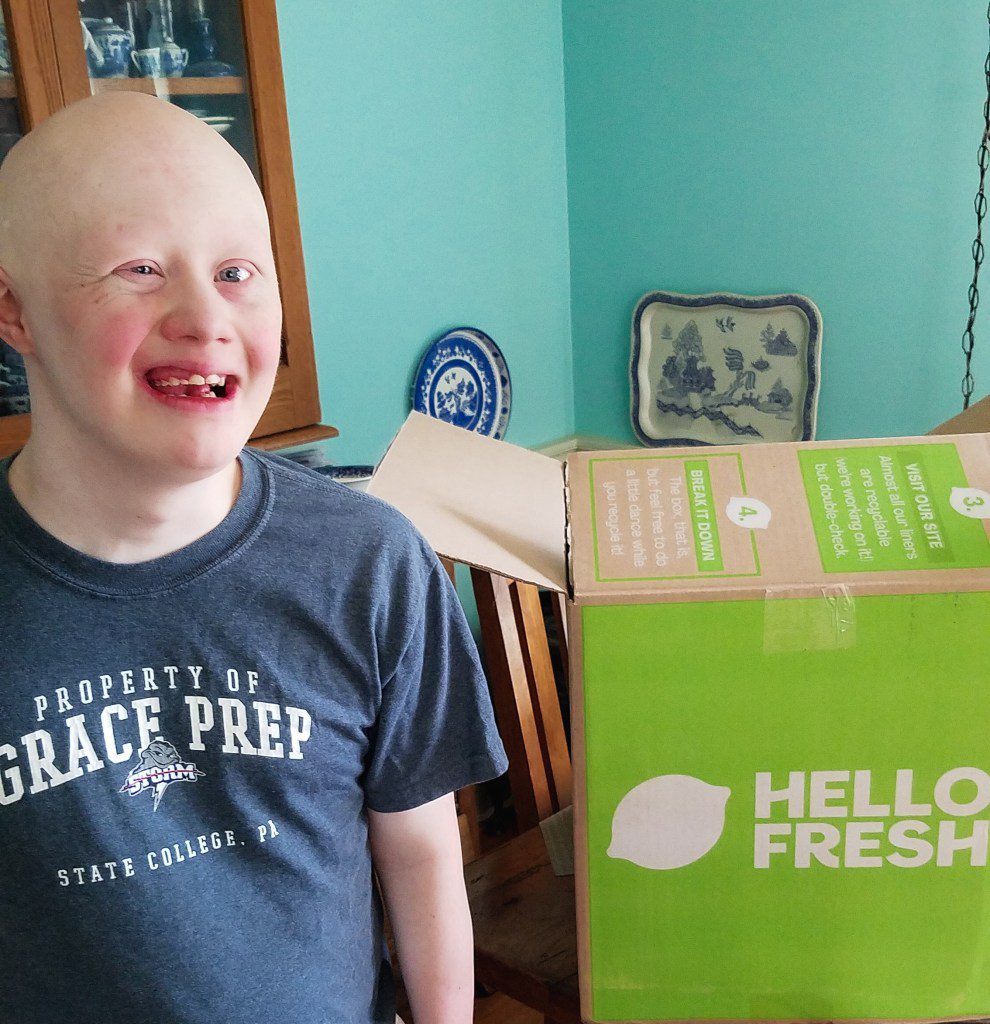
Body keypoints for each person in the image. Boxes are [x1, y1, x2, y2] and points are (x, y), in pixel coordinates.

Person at [0, 92, 507, 1024]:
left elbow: (421, 854)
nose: (203, 316)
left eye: (237, 271)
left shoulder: (370, 564)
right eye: (139, 269)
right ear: (14, 309)